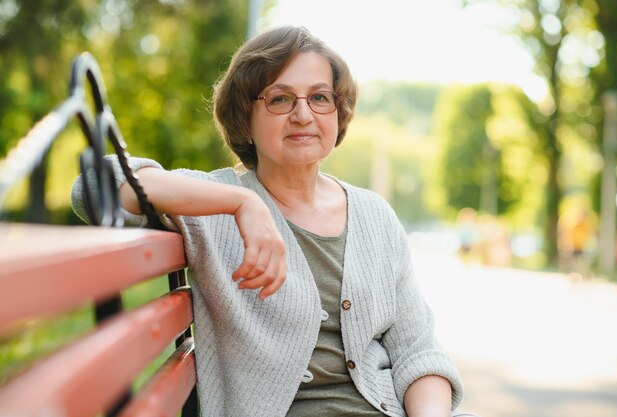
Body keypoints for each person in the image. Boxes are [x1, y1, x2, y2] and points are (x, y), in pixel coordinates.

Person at [72, 25, 470, 417]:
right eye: (280, 99)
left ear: (338, 112)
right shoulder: (211, 206)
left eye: (319, 97)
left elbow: (417, 349)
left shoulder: (374, 214)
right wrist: (243, 204)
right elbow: (94, 185)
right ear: (245, 116)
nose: (302, 115)